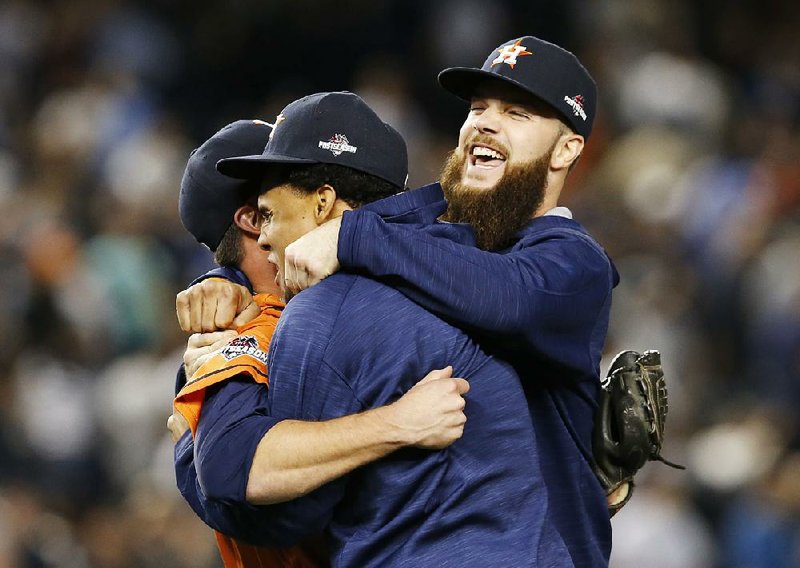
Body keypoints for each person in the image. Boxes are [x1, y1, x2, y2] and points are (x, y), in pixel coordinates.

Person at [181, 37, 619, 566]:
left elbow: (510, 297)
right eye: (477, 107)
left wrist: (348, 237)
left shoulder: (568, 261)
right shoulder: (416, 259)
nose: (484, 122)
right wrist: (228, 286)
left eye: (517, 113)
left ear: (568, 149)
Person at [171, 118, 471, 567]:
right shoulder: (248, 330)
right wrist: (398, 424)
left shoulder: (391, 291)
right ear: (255, 218)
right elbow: (250, 491)